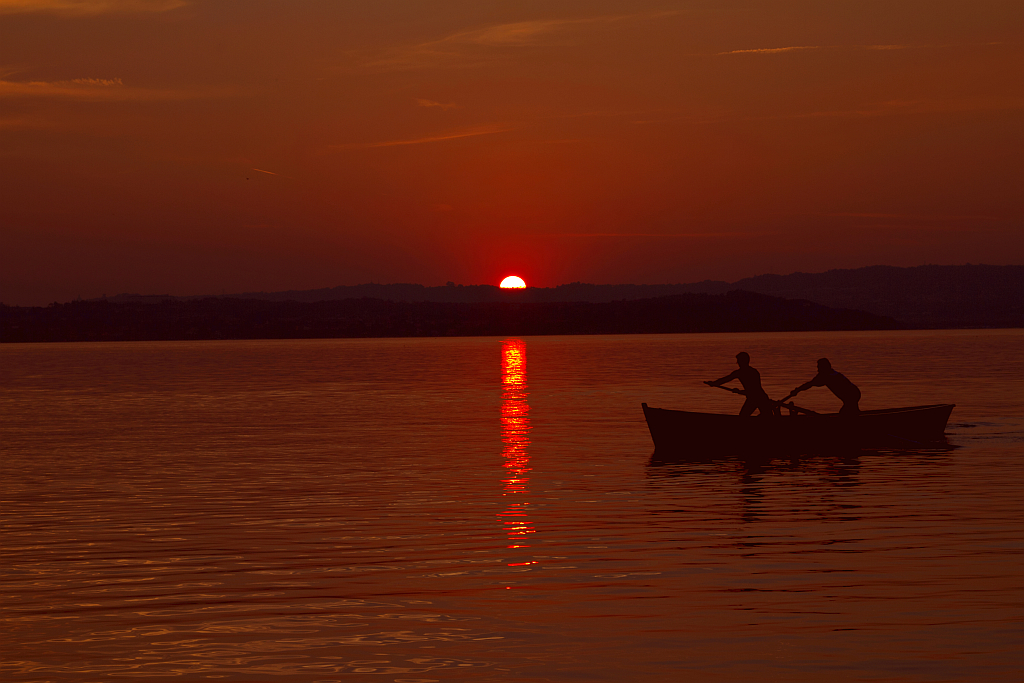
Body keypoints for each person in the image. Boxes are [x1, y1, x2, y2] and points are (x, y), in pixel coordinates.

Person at [704, 352, 777, 416]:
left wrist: (740, 391)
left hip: (759, 398)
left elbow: (755, 390)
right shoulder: (744, 372)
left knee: (764, 417)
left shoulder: (750, 372)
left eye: (738, 361)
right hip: (754, 398)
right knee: (745, 416)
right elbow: (726, 379)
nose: (737, 363)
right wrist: (714, 383)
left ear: (743, 361)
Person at [786, 357, 861, 415]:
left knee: (844, 414)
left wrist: (797, 390)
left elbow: (809, 384)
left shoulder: (826, 376)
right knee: (852, 411)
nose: (817, 370)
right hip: (855, 392)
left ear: (823, 367)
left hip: (852, 395)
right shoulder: (830, 373)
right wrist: (797, 390)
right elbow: (810, 383)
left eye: (818, 367)